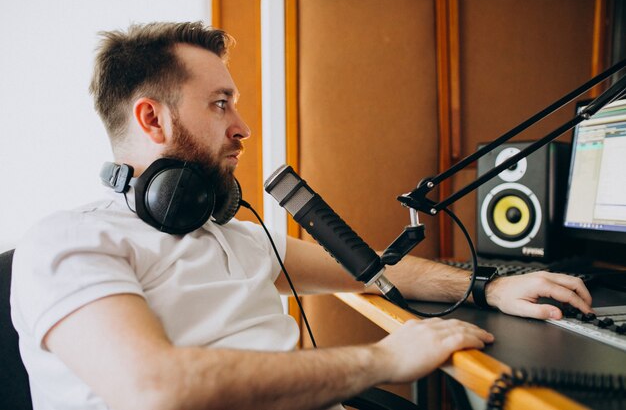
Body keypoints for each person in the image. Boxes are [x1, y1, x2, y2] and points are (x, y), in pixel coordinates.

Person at [10, 21, 593, 410]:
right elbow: (154, 387)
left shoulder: (232, 236)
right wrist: (384, 360)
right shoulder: (69, 243)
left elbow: (372, 270)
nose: (242, 126)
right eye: (220, 104)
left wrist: (490, 286)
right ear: (152, 119)